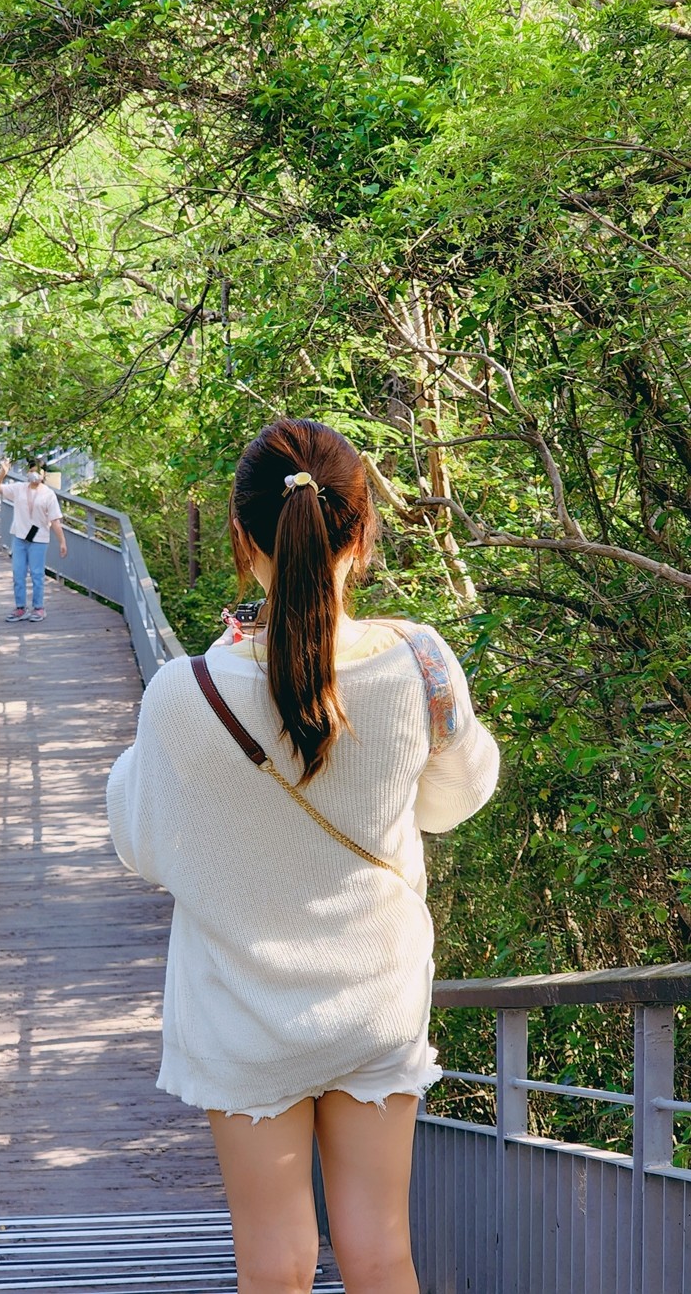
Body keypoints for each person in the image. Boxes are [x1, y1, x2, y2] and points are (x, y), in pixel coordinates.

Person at [106, 418, 499, 1294]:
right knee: (379, 1250)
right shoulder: (419, 661)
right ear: (362, 534)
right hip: (375, 997)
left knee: (275, 1264)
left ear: (244, 540)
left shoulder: (186, 693)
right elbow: (456, 798)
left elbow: (141, 843)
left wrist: (225, 659)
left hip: (242, 1012)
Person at [0, 457, 68, 622]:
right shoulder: (19, 488)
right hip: (20, 538)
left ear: (43, 474)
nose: (34, 475)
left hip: (39, 539)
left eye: (37, 471)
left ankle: (38, 608)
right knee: (18, 573)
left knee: (37, 574)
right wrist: (2, 473)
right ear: (28, 472)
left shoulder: (49, 494)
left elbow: (55, 520)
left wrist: (62, 541)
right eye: (32, 471)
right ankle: (20, 608)